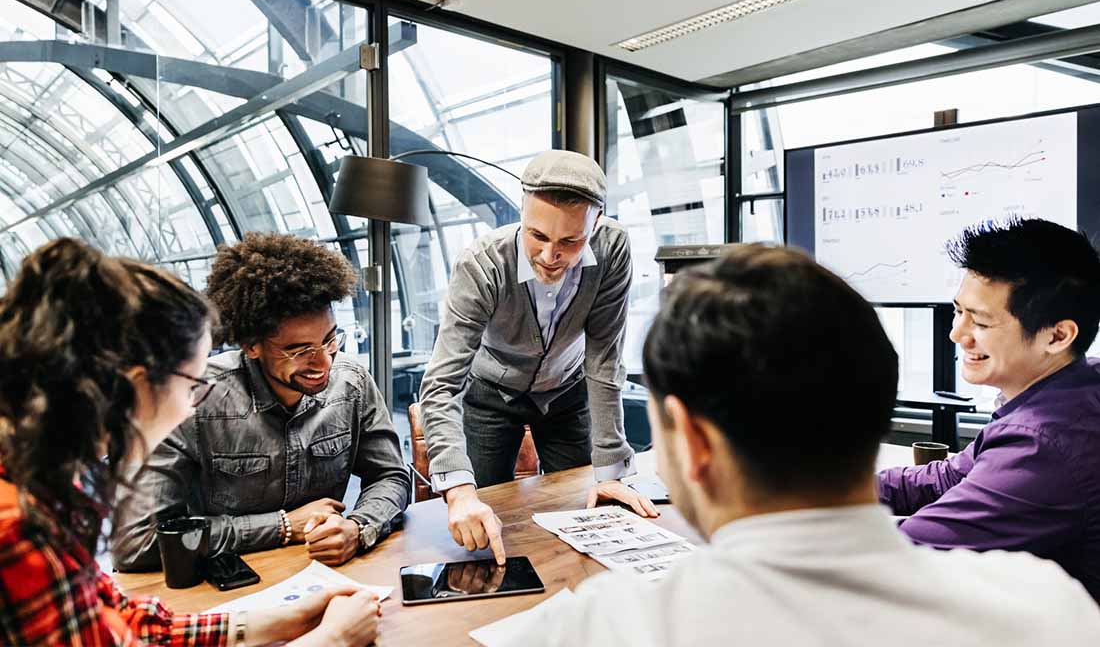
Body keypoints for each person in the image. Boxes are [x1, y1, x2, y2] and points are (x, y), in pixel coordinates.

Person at [503, 243, 1100, 647]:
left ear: (690, 440)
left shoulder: (596, 628)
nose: (958, 333)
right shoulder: (1051, 609)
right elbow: (944, 479)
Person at [0, 238, 379, 646]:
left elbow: (120, 621)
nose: (191, 407)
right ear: (135, 386)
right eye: (192, 385)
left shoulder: (41, 483)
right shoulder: (19, 531)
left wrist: (282, 619)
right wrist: (333, 640)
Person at [112, 233, 409, 570]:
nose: (324, 362)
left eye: (329, 339)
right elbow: (136, 543)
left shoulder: (351, 383)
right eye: (300, 351)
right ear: (251, 346)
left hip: (321, 576)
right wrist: (282, 527)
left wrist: (359, 527)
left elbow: (391, 478)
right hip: (219, 589)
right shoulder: (192, 400)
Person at [419, 149, 656, 565]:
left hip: (567, 393)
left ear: (596, 224)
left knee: (588, 513)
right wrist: (457, 492)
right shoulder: (481, 263)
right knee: (481, 525)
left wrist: (612, 471)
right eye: (538, 236)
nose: (550, 257)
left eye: (571, 241)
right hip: (491, 393)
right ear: (522, 212)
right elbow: (442, 382)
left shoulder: (614, 248)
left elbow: (603, 359)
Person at [879, 217, 1100, 601]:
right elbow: (948, 478)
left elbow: (901, 558)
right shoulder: (1075, 383)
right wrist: (826, 490)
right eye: (958, 311)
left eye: (979, 321)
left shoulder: (1043, 444)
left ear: (1057, 335)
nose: (957, 334)